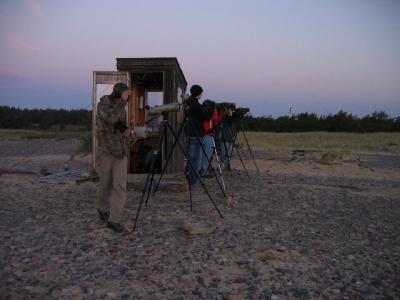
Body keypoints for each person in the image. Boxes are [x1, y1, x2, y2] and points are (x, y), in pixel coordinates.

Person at [95, 82, 132, 233]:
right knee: (105, 184)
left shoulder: (122, 107)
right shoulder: (103, 104)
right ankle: (102, 208)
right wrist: (122, 102)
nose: (128, 97)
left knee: (120, 186)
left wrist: (127, 132)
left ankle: (114, 220)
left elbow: (119, 124)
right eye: (126, 94)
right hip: (106, 151)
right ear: (118, 93)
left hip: (121, 151)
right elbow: (110, 118)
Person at [185, 84, 213, 185]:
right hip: (197, 134)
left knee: (190, 157)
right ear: (199, 93)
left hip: (189, 133)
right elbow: (207, 117)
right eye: (201, 93)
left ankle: (188, 176)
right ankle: (193, 180)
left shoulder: (189, 103)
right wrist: (212, 108)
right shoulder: (196, 104)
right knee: (196, 158)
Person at [200, 101, 223, 178]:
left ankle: (203, 170)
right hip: (207, 135)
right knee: (206, 154)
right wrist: (214, 110)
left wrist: (221, 114)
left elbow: (215, 120)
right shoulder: (206, 113)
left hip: (206, 135)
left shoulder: (203, 111)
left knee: (205, 154)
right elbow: (214, 118)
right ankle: (204, 171)